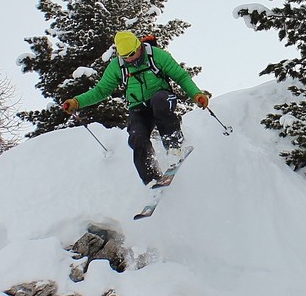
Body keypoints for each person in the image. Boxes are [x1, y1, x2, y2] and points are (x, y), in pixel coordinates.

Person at [62, 30, 210, 184]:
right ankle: (152, 180)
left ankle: (174, 146)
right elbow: (101, 90)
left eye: (132, 54)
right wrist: (77, 102)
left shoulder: (157, 56)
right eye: (125, 57)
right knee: (136, 136)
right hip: (138, 107)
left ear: (139, 45)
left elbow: (181, 76)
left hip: (163, 97)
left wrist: (196, 95)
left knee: (159, 102)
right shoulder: (117, 67)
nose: (130, 59)